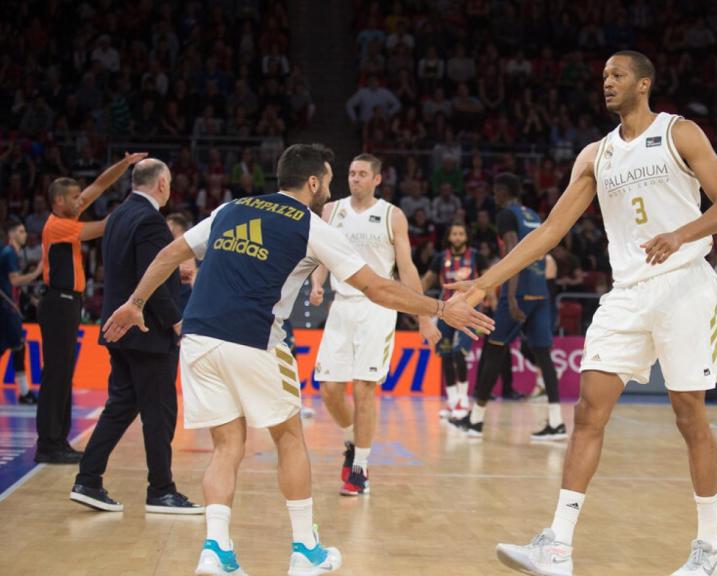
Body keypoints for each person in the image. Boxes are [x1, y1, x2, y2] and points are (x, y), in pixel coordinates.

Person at [102, 143, 493, 576]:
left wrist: (136, 302)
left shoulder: (230, 209)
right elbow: (378, 288)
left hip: (197, 339)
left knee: (226, 445)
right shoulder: (312, 225)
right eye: (327, 179)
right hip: (253, 340)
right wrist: (440, 309)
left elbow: (169, 254)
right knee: (289, 438)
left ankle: (215, 549)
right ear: (313, 182)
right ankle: (306, 550)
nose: (331, 186)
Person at [444, 51, 717, 576]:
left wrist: (680, 235)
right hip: (627, 291)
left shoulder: (681, 133)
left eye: (617, 75)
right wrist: (483, 283)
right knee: (587, 413)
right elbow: (549, 232)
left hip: (684, 286)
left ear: (643, 84)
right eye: (603, 76)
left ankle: (708, 550)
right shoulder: (595, 156)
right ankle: (557, 545)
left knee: (689, 415)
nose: (607, 83)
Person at [70, 159, 201, 514]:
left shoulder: (117, 216)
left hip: (118, 330)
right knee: (159, 413)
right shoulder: (152, 222)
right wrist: (177, 322)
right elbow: (151, 283)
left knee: (121, 406)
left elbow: (131, 272)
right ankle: (162, 490)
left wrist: (176, 275)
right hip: (147, 333)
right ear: (161, 184)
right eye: (170, 182)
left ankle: (88, 479)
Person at [307, 153, 442, 497]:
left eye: (362, 174)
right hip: (341, 306)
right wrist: (318, 282)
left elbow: (407, 268)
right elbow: (321, 254)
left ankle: (360, 468)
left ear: (377, 179)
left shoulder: (391, 215)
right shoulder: (331, 210)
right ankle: (355, 438)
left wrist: (423, 317)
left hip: (378, 308)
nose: (355, 179)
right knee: (330, 390)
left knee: (365, 387)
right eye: (351, 173)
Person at [36, 152, 148, 464]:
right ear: (59, 201)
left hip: (67, 304)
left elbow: (99, 185)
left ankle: (58, 440)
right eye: (75, 197)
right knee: (56, 375)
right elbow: (100, 227)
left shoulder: (67, 215)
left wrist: (124, 166)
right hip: (58, 303)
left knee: (62, 374)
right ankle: (48, 444)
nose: (81, 200)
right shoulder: (58, 225)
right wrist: (136, 204)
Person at [450, 173, 566, 441]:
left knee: (494, 351)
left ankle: (476, 421)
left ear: (505, 191)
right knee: (544, 355)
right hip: (541, 291)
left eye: (496, 190)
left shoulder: (506, 215)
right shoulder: (534, 216)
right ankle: (557, 422)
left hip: (518, 290)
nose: (494, 195)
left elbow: (513, 253)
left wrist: (511, 297)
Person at [421, 222, 482, 420]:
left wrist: (493, 301)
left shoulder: (476, 256)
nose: (457, 236)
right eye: (454, 233)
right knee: (446, 355)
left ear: (466, 236)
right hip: (445, 311)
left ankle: (463, 401)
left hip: (469, 311)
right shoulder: (440, 258)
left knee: (459, 353)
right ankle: (452, 400)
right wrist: (412, 296)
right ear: (449, 237)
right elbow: (426, 281)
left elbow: (491, 279)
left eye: (460, 233)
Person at [1, 221, 43, 404]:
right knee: (18, 345)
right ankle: (25, 393)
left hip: (9, 306)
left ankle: (25, 393)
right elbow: (15, 281)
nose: (25, 234)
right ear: (11, 235)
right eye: (21, 231)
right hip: (6, 307)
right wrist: (37, 273)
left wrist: (30, 300)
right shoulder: (9, 252)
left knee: (8, 346)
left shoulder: (13, 254)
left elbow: (15, 286)